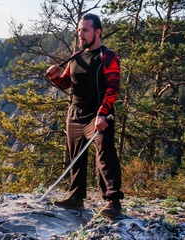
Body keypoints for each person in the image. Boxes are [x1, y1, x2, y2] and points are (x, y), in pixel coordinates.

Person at [46, 13, 124, 218]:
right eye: (79, 29)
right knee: (74, 156)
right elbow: (67, 83)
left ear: (97, 32)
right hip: (75, 113)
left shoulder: (108, 56)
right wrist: (55, 78)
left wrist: (103, 114)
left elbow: (113, 87)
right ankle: (76, 198)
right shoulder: (75, 57)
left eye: (85, 30)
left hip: (98, 115)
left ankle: (113, 201)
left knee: (104, 155)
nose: (81, 33)